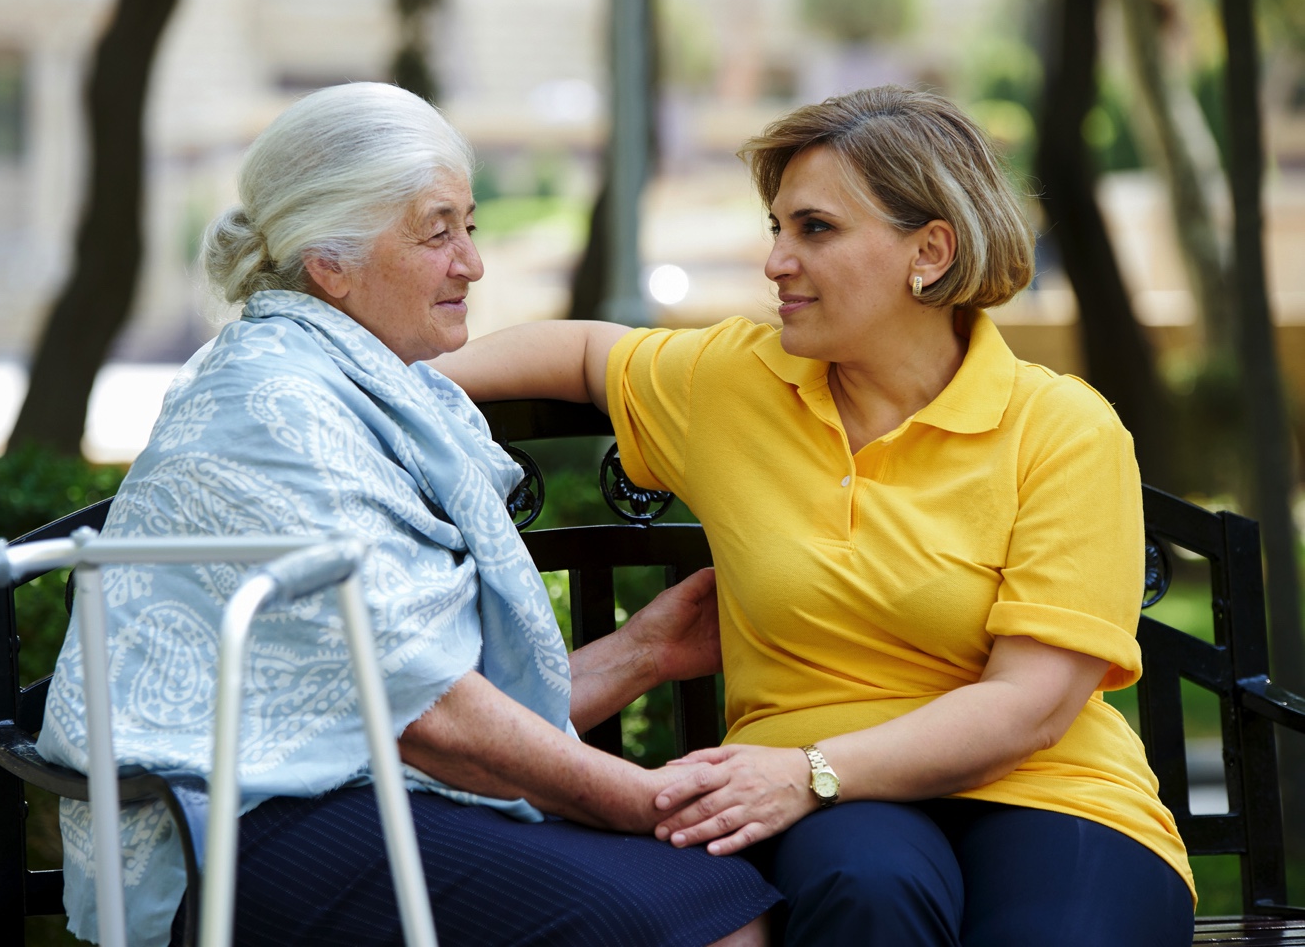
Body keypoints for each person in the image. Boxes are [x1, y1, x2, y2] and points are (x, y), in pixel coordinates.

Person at [432, 84, 1195, 947]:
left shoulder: (1061, 428)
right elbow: (576, 353)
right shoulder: (734, 382)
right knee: (866, 892)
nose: (775, 262)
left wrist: (814, 773)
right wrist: (385, 388)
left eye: (815, 229)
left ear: (930, 251)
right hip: (817, 804)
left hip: (1048, 788)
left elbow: (1030, 704)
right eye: (777, 229)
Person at [35, 81, 778, 947]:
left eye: (469, 225)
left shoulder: (344, 377)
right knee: (685, 913)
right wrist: (643, 799)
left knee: (718, 897)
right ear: (331, 262)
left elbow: (401, 699)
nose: (471, 262)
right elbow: (430, 718)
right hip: (235, 831)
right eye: (437, 232)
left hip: (343, 787)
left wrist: (646, 650)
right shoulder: (274, 405)